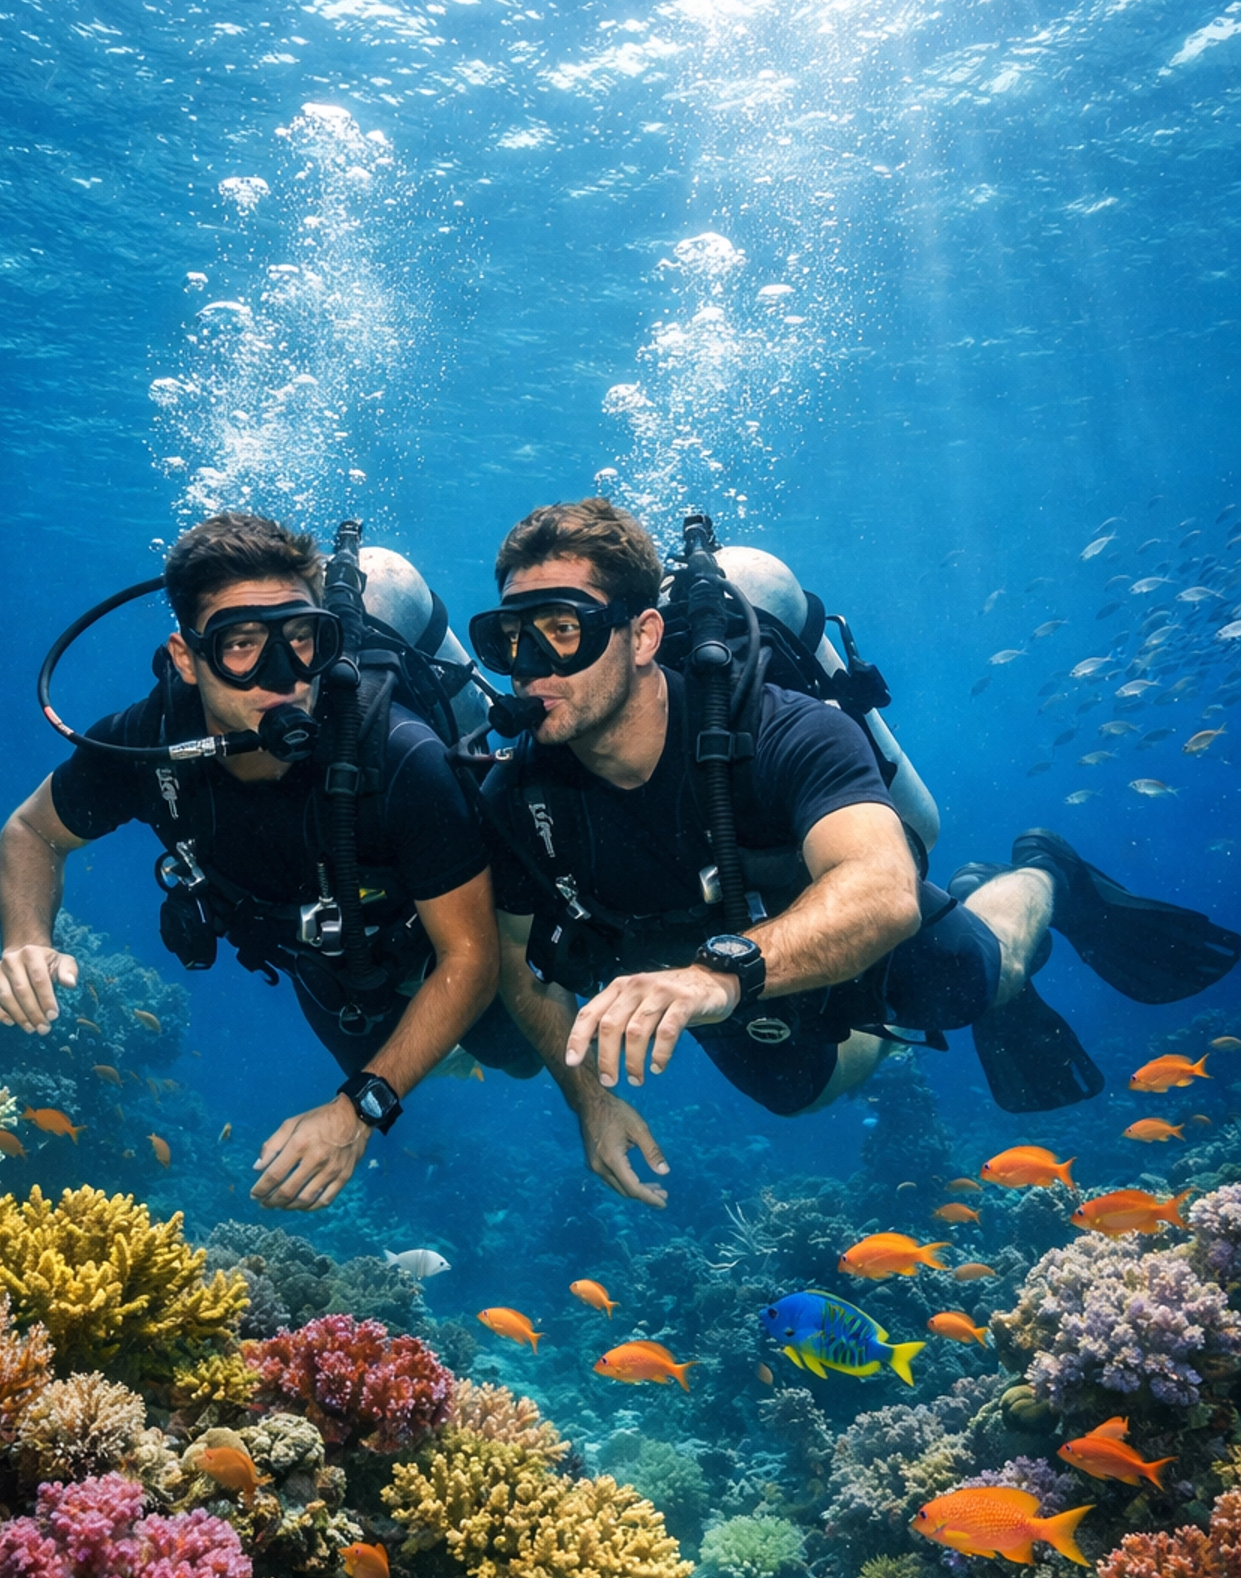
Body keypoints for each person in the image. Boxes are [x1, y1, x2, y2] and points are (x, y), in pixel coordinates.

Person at [476, 497, 1239, 1207]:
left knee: (976, 984)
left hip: (765, 954)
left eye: (563, 628)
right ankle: (872, 1031)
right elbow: (515, 958)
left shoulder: (783, 727)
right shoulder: (521, 797)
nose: (529, 664)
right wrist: (591, 1101)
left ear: (642, 636)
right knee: (796, 1095)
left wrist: (716, 976)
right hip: (713, 970)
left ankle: (1046, 874)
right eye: (508, 638)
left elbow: (881, 888)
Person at [0, 509, 534, 1211]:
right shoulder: (150, 741)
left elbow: (470, 958)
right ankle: (427, 1055)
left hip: (431, 939)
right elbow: (33, 832)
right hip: (327, 966)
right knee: (383, 1057)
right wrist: (25, 940)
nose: (281, 676)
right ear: (186, 657)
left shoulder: (397, 754)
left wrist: (359, 1112)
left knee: (515, 1061)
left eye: (301, 638)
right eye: (240, 644)